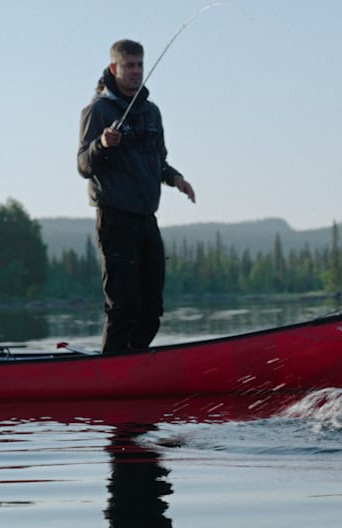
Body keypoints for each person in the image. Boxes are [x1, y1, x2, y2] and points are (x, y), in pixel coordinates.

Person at [77, 39, 196, 353]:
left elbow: (159, 161)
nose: (135, 71)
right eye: (129, 65)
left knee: (151, 310)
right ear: (114, 69)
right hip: (114, 216)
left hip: (146, 218)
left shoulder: (152, 113)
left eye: (139, 65)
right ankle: (111, 370)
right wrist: (103, 144)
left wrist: (176, 179)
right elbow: (83, 165)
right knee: (123, 306)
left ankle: (132, 363)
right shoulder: (98, 110)